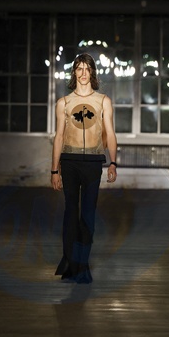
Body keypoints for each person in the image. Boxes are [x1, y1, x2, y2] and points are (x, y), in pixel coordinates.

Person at [51, 53, 118, 283]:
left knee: (87, 215)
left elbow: (110, 133)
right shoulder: (64, 102)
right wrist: (54, 170)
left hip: (93, 162)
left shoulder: (103, 101)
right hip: (69, 162)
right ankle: (71, 262)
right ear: (74, 72)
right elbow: (59, 137)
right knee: (70, 213)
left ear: (92, 72)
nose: (83, 73)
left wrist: (113, 162)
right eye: (79, 68)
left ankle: (82, 265)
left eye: (87, 69)